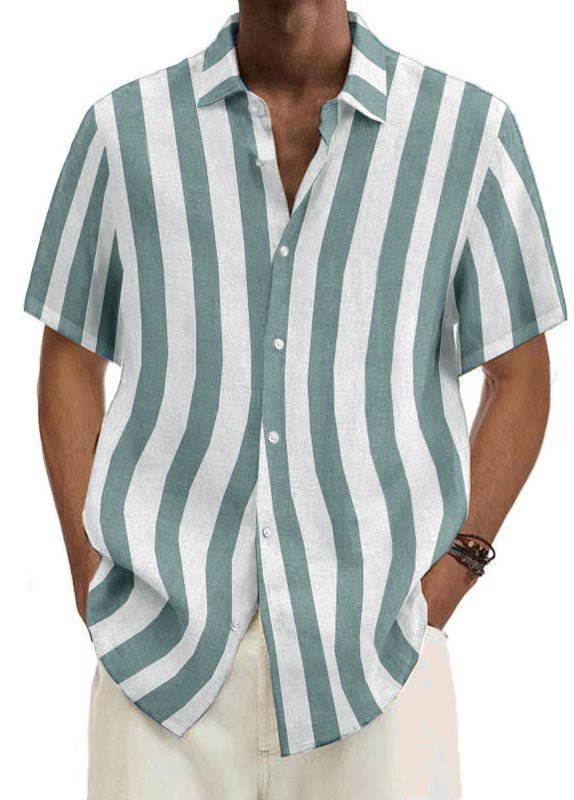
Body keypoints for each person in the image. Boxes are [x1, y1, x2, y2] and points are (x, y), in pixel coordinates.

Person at [24, 1, 567, 798]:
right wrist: (91, 580)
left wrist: (451, 575)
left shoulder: (466, 133)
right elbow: (70, 360)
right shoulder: (123, 131)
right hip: (158, 665)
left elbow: (521, 373)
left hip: (380, 663)